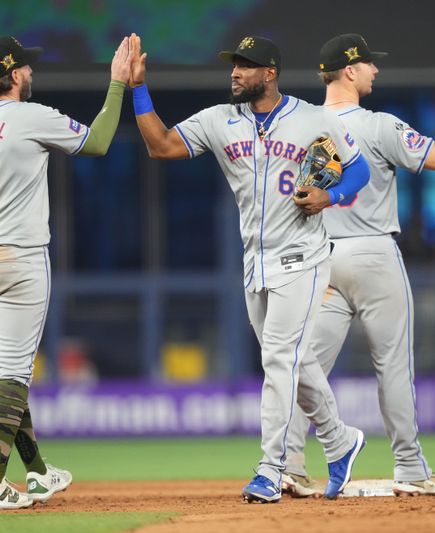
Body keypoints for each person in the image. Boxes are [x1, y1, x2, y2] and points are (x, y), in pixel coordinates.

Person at [127, 34, 370, 503]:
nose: (235, 71)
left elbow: (357, 171)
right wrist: (139, 88)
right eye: (233, 64)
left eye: (247, 64)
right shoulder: (220, 121)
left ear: (270, 73)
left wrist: (330, 195)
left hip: (304, 256)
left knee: (279, 360)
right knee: (296, 365)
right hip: (255, 262)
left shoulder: (313, 119)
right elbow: (161, 146)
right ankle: (340, 442)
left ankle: (270, 468)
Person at [281, 33, 435, 497]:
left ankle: (291, 466)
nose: (374, 71)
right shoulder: (378, 125)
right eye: (367, 64)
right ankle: (410, 468)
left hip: (319, 258)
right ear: (348, 71)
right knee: (392, 366)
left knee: (305, 365)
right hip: (372, 253)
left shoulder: (298, 124)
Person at [0, 35, 132, 510]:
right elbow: (99, 142)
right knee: (16, 376)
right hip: (20, 261)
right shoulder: (32, 115)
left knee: (6, 374)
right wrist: (117, 85)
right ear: (17, 74)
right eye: (28, 68)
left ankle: (38, 474)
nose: (31, 74)